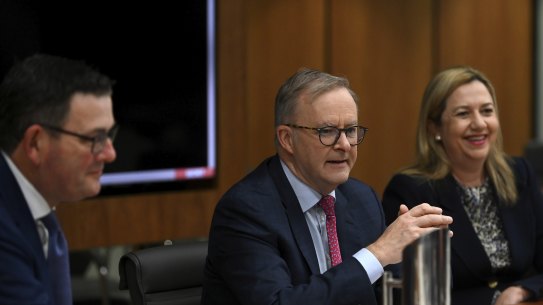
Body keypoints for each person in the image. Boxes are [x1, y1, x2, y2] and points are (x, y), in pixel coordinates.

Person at [201, 68, 453, 305]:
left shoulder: (361, 198)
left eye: (351, 130)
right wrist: (376, 253)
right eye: (327, 131)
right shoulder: (245, 211)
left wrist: (417, 261)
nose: (344, 144)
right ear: (287, 139)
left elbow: (382, 291)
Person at [382, 66, 543, 305]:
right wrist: (495, 298)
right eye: (463, 114)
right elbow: (411, 291)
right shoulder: (411, 190)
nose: (479, 124)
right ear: (434, 128)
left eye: (487, 111)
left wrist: (521, 291)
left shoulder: (518, 174)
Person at [0, 54, 117, 305]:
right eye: (94, 138)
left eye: (109, 135)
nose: (110, 153)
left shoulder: (36, 212)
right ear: (36, 143)